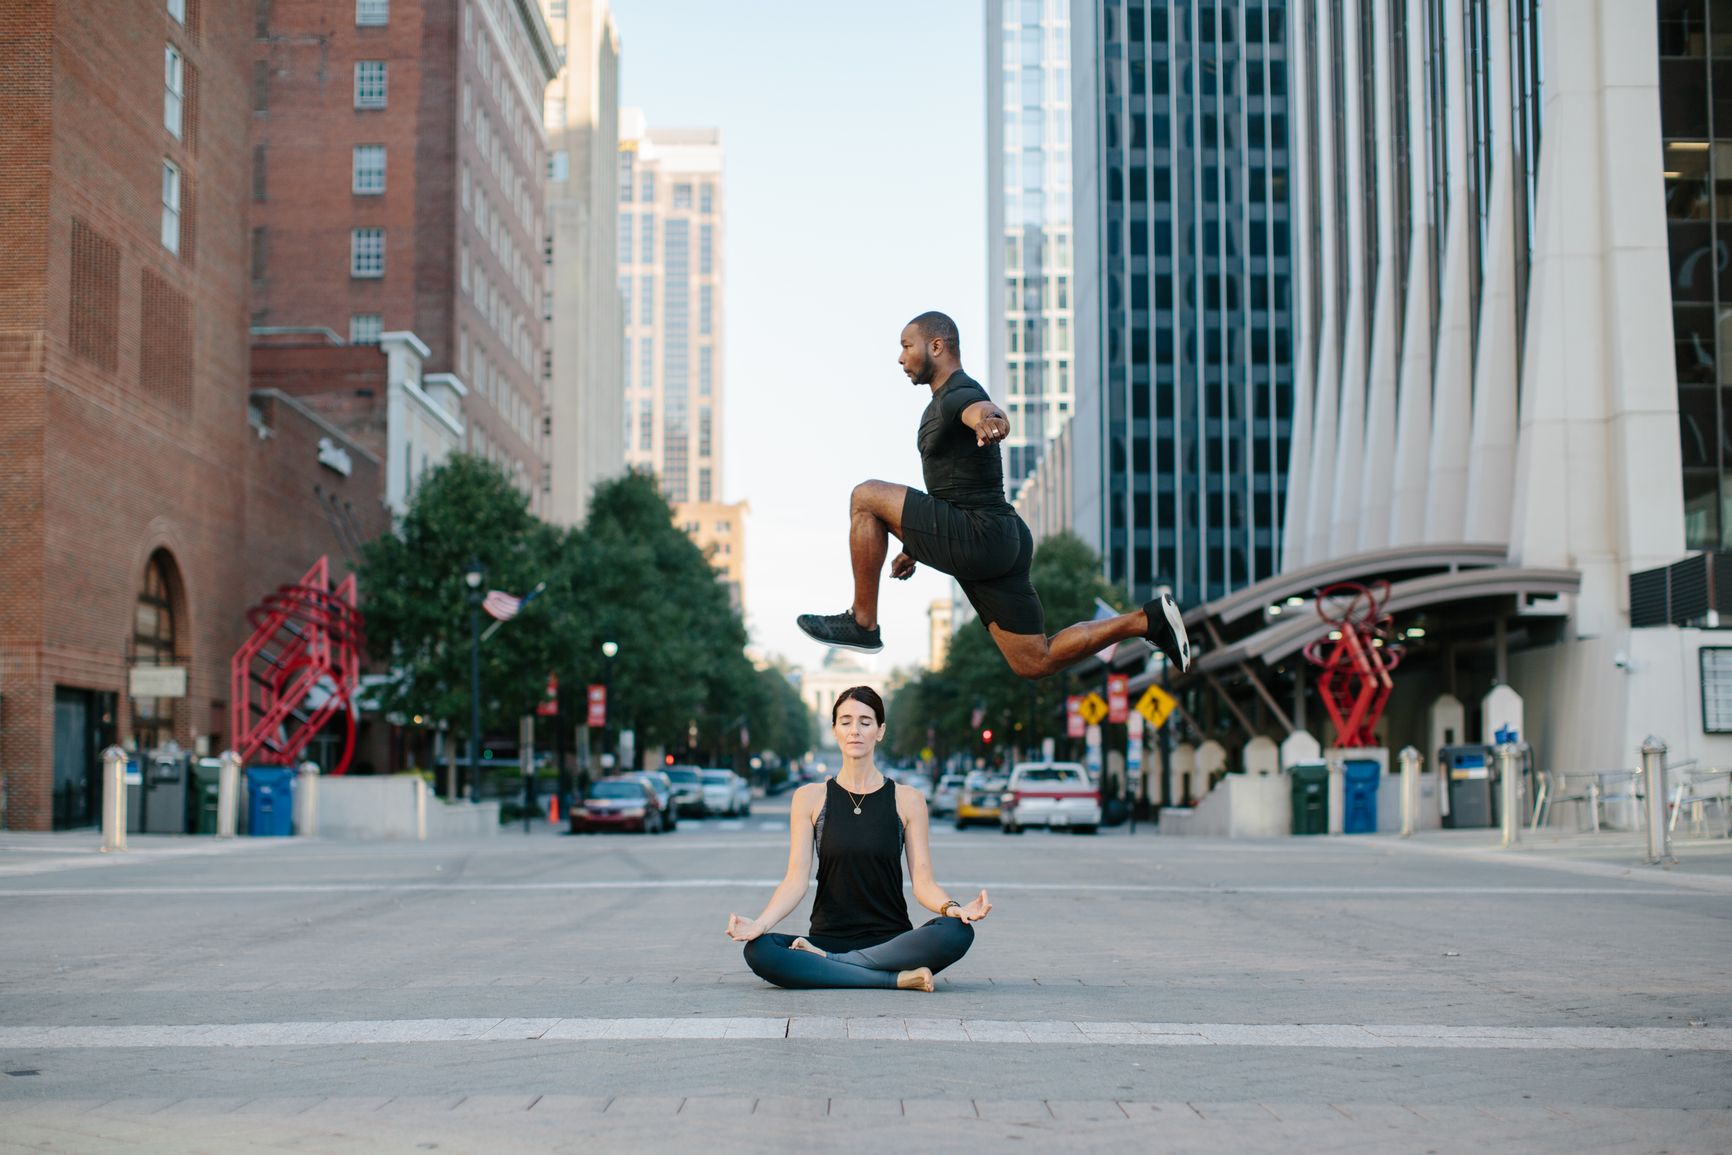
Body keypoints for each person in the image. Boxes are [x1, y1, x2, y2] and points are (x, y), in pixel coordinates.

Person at [796, 311, 1191, 678]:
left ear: (936, 346)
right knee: (1034, 660)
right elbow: (954, 486)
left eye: (907, 346)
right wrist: (916, 546)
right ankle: (1146, 621)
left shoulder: (957, 393)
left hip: (980, 535)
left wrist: (992, 420)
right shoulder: (943, 402)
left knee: (865, 497)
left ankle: (863, 622)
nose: (901, 358)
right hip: (1002, 538)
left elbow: (981, 409)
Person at [727, 686, 990, 991]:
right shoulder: (810, 797)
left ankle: (833, 965)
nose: (855, 730)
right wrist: (761, 924)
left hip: (892, 943)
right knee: (759, 949)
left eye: (865, 722)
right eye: (846, 722)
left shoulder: (908, 799)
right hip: (828, 937)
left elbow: (924, 884)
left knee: (958, 931)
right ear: (835, 730)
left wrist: (953, 908)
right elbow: (795, 881)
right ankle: (892, 978)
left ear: (880, 731)